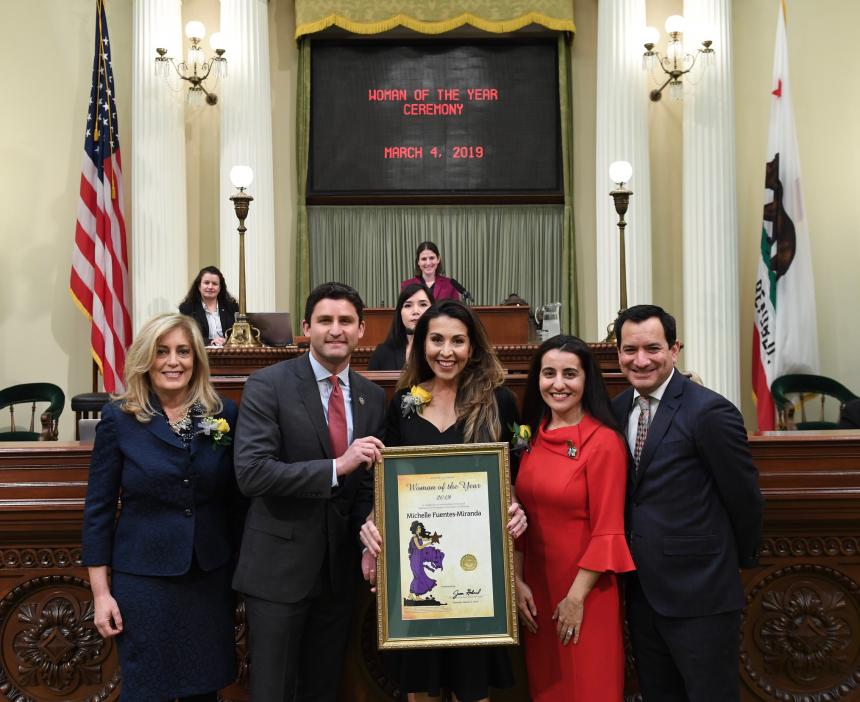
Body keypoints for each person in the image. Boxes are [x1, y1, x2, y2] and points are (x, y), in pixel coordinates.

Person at [361, 300, 528, 702]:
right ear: (422, 345)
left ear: (473, 347)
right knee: (421, 686)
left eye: (458, 340)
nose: (446, 351)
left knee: (473, 688)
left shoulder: (498, 401)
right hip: (419, 581)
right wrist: (371, 523)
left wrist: (516, 511)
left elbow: (512, 481)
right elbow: (387, 482)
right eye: (436, 340)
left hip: (478, 576)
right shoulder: (404, 403)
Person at [232, 282, 386, 702]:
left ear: (361, 331)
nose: (335, 330)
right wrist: (337, 466)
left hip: (340, 573)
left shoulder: (373, 399)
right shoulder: (268, 385)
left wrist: (370, 529)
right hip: (279, 569)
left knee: (324, 688)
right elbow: (253, 473)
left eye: (345, 321)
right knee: (274, 691)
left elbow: (368, 484)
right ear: (306, 328)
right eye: (324, 321)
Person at [81, 313, 241, 702]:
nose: (174, 361)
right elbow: (99, 510)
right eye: (162, 352)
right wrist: (101, 595)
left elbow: (236, 502)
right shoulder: (120, 419)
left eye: (183, 352)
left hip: (207, 578)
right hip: (144, 581)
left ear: (197, 359)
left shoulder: (223, 414)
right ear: (145, 360)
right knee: (147, 689)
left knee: (204, 689)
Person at [610, 304, 763, 702]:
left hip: (702, 596)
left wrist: (736, 565)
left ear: (674, 349)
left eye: (652, 348)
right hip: (641, 595)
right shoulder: (616, 410)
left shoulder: (709, 410)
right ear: (618, 353)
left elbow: (743, 497)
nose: (640, 360)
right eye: (629, 350)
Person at [515, 335, 634, 701]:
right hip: (536, 593)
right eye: (549, 373)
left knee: (588, 687)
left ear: (587, 381)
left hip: (585, 593)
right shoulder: (533, 436)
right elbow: (520, 517)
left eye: (570, 374)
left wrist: (575, 599)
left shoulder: (604, 442)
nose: (558, 384)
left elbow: (608, 530)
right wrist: (517, 581)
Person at [368, 282, 434, 371]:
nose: (415, 311)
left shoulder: (440, 351)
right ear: (400, 313)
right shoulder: (382, 353)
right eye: (408, 305)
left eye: (423, 305)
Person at [179, 265, 240, 346]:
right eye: (206, 283)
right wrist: (211, 342)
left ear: (220, 288)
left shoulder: (231, 307)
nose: (210, 287)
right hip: (201, 353)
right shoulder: (187, 308)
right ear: (199, 286)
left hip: (228, 353)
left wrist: (227, 341)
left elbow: (240, 334)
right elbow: (187, 336)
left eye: (215, 284)